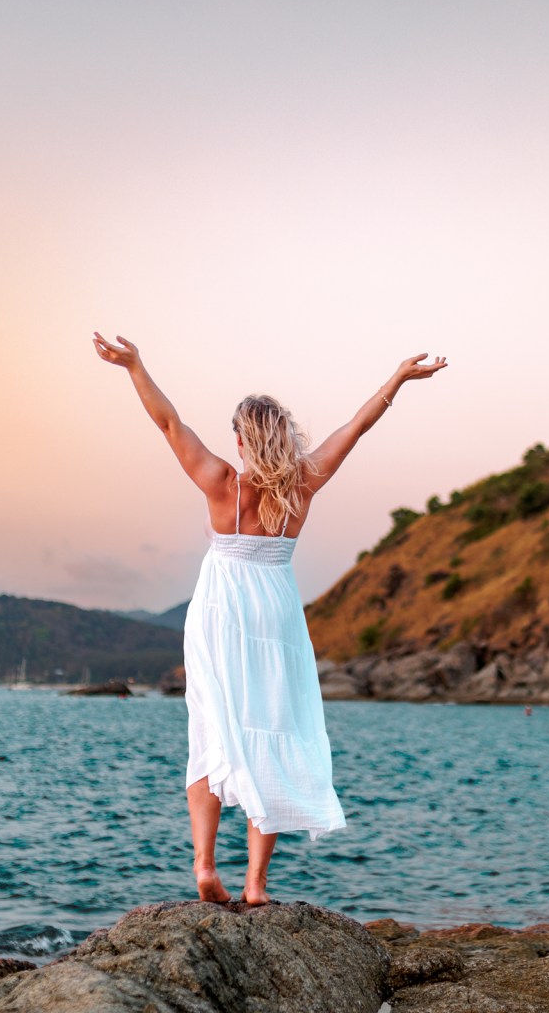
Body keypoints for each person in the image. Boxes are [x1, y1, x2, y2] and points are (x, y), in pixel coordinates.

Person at [94, 332, 447, 905]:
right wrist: (396, 381)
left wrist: (135, 366)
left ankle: (206, 866)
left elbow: (168, 423)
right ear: (282, 436)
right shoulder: (304, 484)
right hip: (276, 615)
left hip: (219, 612)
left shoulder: (220, 483)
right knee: (274, 735)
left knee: (212, 734)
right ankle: (256, 883)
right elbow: (354, 429)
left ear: (240, 437)